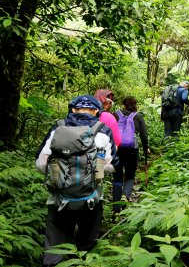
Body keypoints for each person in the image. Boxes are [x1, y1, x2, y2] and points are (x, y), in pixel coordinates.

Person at [35, 95, 118, 266]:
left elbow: (41, 164)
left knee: (54, 245)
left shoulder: (58, 128)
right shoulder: (102, 130)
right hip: (91, 197)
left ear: (73, 109)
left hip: (59, 198)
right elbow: (111, 165)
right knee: (87, 244)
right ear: (97, 111)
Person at [111, 96, 149, 212]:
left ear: (123, 104)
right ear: (135, 104)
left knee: (117, 177)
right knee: (130, 175)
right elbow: (144, 136)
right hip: (132, 150)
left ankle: (116, 206)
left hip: (117, 149)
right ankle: (125, 195)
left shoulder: (115, 115)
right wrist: (146, 150)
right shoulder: (138, 116)